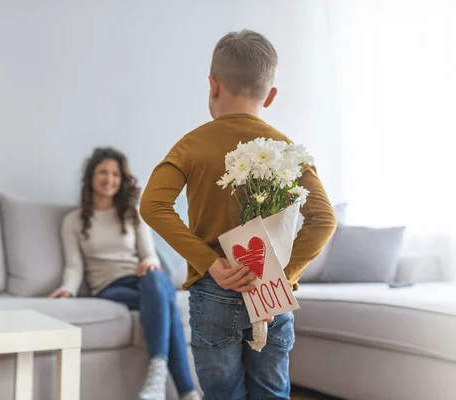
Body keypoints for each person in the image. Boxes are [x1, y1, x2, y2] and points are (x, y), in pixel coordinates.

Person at [140, 30, 337, 400]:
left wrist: (211, 263)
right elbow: (324, 219)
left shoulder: (192, 144)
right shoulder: (285, 148)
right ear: (271, 94)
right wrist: (283, 274)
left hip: (214, 290)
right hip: (271, 292)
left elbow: (152, 205)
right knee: (271, 392)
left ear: (213, 85)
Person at [48, 147, 200, 400]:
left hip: (142, 280)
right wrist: (67, 289)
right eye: (103, 172)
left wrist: (150, 263)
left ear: (122, 179)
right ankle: (186, 391)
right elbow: (74, 266)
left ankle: (159, 377)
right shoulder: (73, 221)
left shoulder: (133, 214)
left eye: (115, 174)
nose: (109, 179)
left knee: (156, 280)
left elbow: (148, 254)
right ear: (91, 177)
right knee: (167, 303)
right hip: (109, 287)